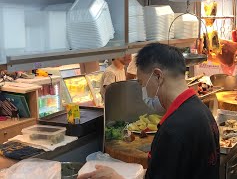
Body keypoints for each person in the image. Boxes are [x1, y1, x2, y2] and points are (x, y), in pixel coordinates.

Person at [79, 43, 220, 179]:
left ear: (158, 76)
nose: (143, 91)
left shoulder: (174, 129)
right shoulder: (202, 111)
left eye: (141, 83)